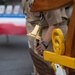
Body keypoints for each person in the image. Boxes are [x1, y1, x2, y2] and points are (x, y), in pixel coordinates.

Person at [22, 0, 68, 75]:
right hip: (39, 30)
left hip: (51, 32)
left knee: (49, 68)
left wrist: (44, 43)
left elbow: (55, 23)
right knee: (39, 68)